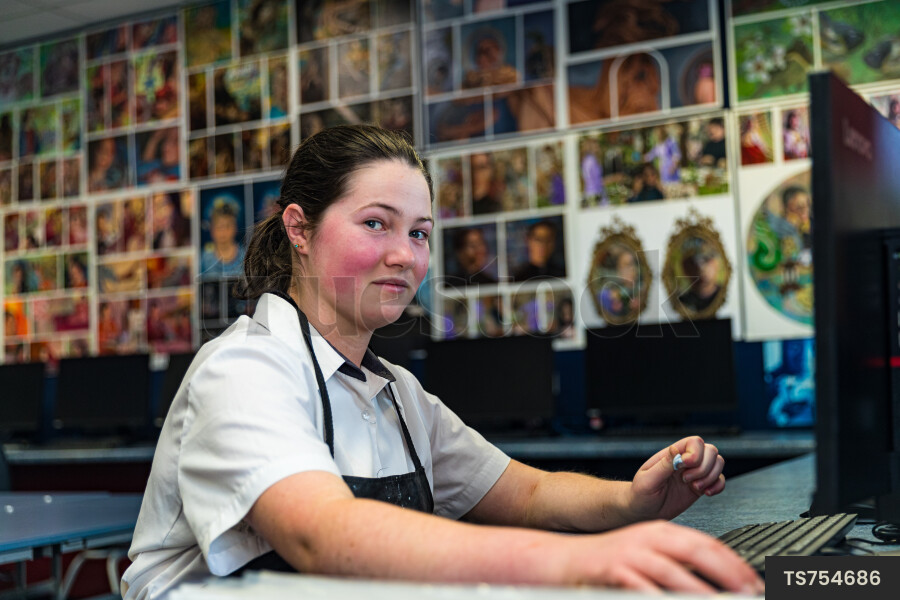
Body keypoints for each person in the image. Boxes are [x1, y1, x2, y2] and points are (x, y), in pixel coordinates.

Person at [122, 124, 762, 599]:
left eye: (420, 232)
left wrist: (632, 502)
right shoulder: (243, 369)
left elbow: (526, 492)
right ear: (299, 229)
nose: (405, 255)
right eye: (377, 224)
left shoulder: (398, 394)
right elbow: (321, 533)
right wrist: (574, 565)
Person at [200, 196, 245, 278]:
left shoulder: (245, 256)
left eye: (228, 226)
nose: (223, 231)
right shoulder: (203, 259)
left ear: (235, 227)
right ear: (211, 229)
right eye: (218, 226)